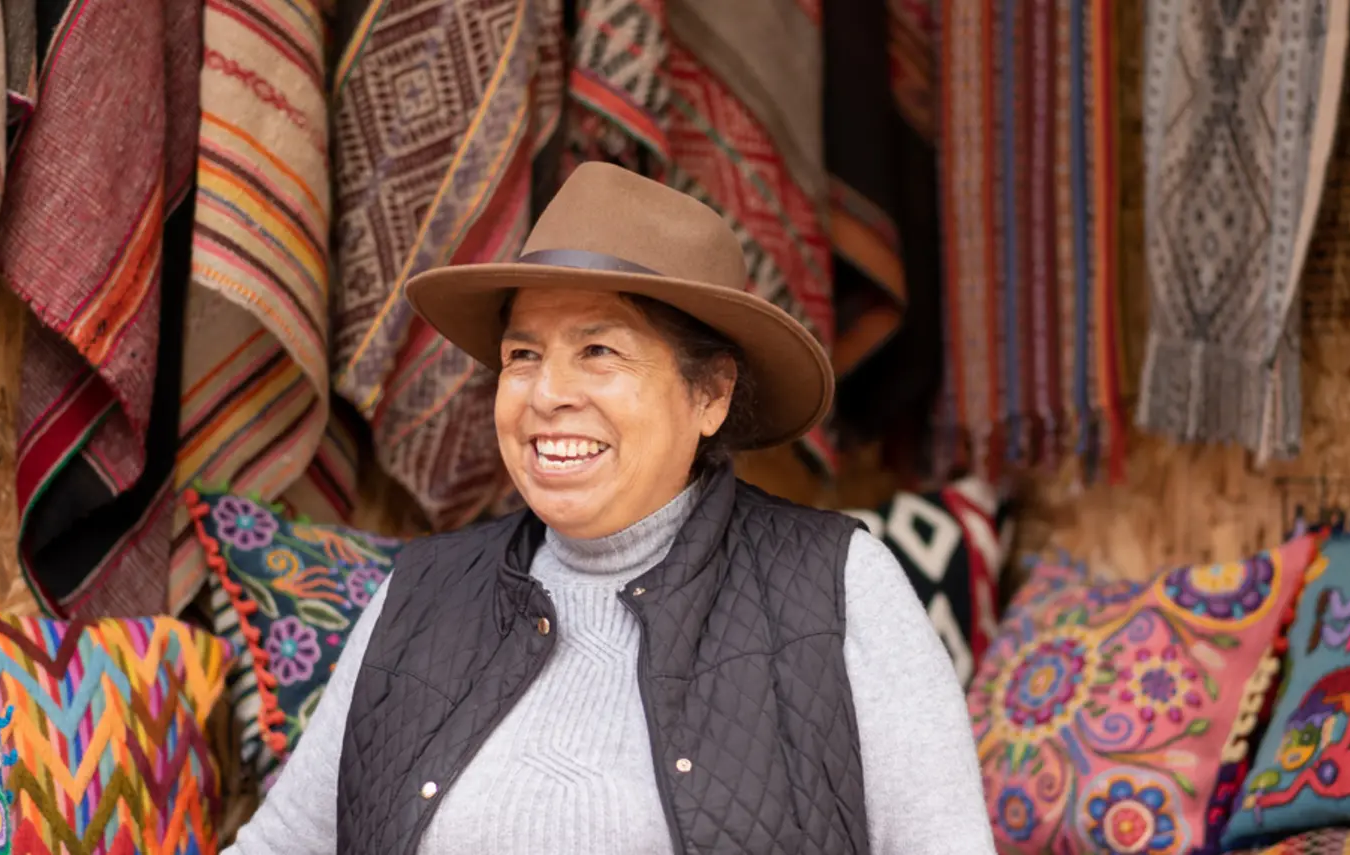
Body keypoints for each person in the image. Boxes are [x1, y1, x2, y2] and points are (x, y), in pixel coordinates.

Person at [226, 162, 995, 855]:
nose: (547, 393)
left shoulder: (836, 586)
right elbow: (286, 843)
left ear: (711, 394)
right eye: (523, 355)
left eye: (599, 351)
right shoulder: (421, 594)